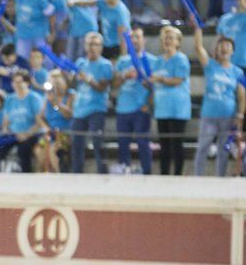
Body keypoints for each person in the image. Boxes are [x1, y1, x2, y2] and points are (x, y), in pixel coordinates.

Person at [193, 23, 245, 176]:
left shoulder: (238, 72)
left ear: (233, 51)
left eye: (228, 46)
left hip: (228, 117)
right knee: (203, 147)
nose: (224, 48)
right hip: (209, 115)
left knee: (223, 150)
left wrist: (240, 115)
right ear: (217, 49)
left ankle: (220, 180)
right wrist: (197, 28)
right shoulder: (210, 65)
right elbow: (198, 47)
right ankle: (198, 178)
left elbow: (242, 95)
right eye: (221, 46)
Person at [71, 32, 114, 174]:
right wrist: (70, 76)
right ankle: (77, 175)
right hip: (79, 110)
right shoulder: (80, 63)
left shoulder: (106, 65)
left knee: (98, 143)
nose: (92, 47)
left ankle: (102, 174)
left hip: (96, 109)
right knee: (76, 145)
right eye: (89, 44)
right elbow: (72, 85)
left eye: (95, 44)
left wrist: (88, 79)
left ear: (101, 47)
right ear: (85, 46)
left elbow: (102, 88)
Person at [151, 26, 191, 176]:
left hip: (177, 110)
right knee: (164, 146)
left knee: (176, 145)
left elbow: (177, 80)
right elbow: (154, 82)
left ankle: (178, 176)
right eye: (165, 38)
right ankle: (164, 175)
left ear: (178, 42)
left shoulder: (181, 59)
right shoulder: (158, 61)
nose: (167, 41)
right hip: (162, 109)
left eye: (171, 38)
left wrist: (160, 79)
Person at [113, 26, 153, 175]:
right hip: (123, 108)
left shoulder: (152, 60)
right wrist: (124, 76)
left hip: (140, 109)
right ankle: (125, 171)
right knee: (123, 143)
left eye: (138, 37)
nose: (135, 40)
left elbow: (155, 88)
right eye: (132, 37)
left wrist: (148, 104)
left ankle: (147, 173)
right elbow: (114, 84)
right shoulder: (122, 61)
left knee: (143, 143)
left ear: (144, 40)